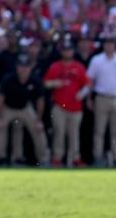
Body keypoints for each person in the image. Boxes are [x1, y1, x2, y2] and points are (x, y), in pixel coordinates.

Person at [0, 54, 49, 166]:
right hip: (7, 107)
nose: (23, 69)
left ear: (30, 67)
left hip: (25, 107)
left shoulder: (35, 80)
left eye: (26, 66)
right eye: (21, 66)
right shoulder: (8, 79)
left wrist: (38, 119)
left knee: (38, 129)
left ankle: (44, 159)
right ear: (17, 67)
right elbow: (0, 99)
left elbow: (40, 101)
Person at [86, 34, 116, 168]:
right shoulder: (97, 60)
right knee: (99, 131)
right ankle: (98, 157)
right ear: (104, 45)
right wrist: (89, 97)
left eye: (112, 43)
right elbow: (90, 81)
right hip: (101, 97)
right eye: (107, 43)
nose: (109, 46)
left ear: (115, 45)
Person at [43, 36, 88, 168]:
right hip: (59, 105)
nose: (67, 52)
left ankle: (75, 157)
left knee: (74, 134)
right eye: (65, 50)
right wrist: (53, 83)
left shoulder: (78, 67)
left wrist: (83, 93)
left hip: (76, 106)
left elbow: (87, 85)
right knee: (59, 133)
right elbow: (45, 83)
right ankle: (57, 158)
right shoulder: (55, 67)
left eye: (69, 50)